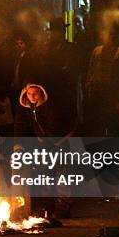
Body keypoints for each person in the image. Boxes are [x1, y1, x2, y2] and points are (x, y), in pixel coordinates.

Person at [13, 82, 72, 224]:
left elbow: (55, 129)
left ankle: (63, 206)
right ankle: (46, 207)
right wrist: (19, 146)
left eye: (35, 93)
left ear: (41, 93)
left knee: (61, 174)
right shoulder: (26, 109)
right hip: (43, 144)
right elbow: (21, 127)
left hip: (60, 141)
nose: (32, 96)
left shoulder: (51, 108)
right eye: (29, 93)